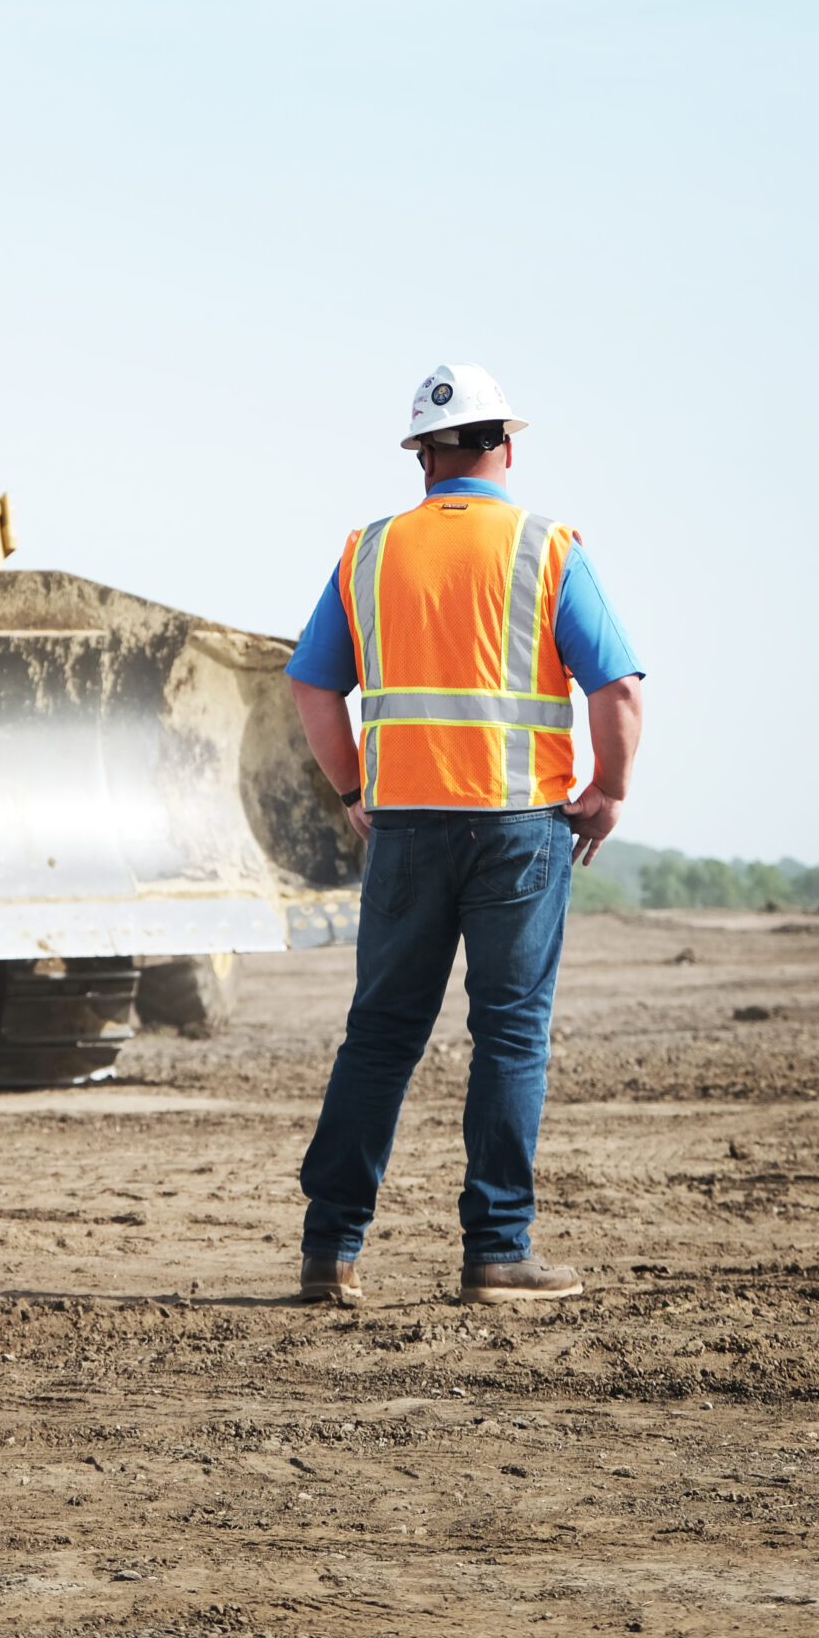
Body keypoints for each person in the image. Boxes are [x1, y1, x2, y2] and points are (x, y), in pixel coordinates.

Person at [283, 363, 645, 1307]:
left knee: (380, 1035)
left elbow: (312, 684)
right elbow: (618, 690)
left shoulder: (368, 552)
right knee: (510, 1036)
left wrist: (356, 788)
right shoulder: (547, 547)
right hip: (521, 829)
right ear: (505, 449)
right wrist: (608, 791)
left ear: (422, 457)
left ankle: (330, 1250)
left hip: (405, 827)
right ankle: (496, 1251)